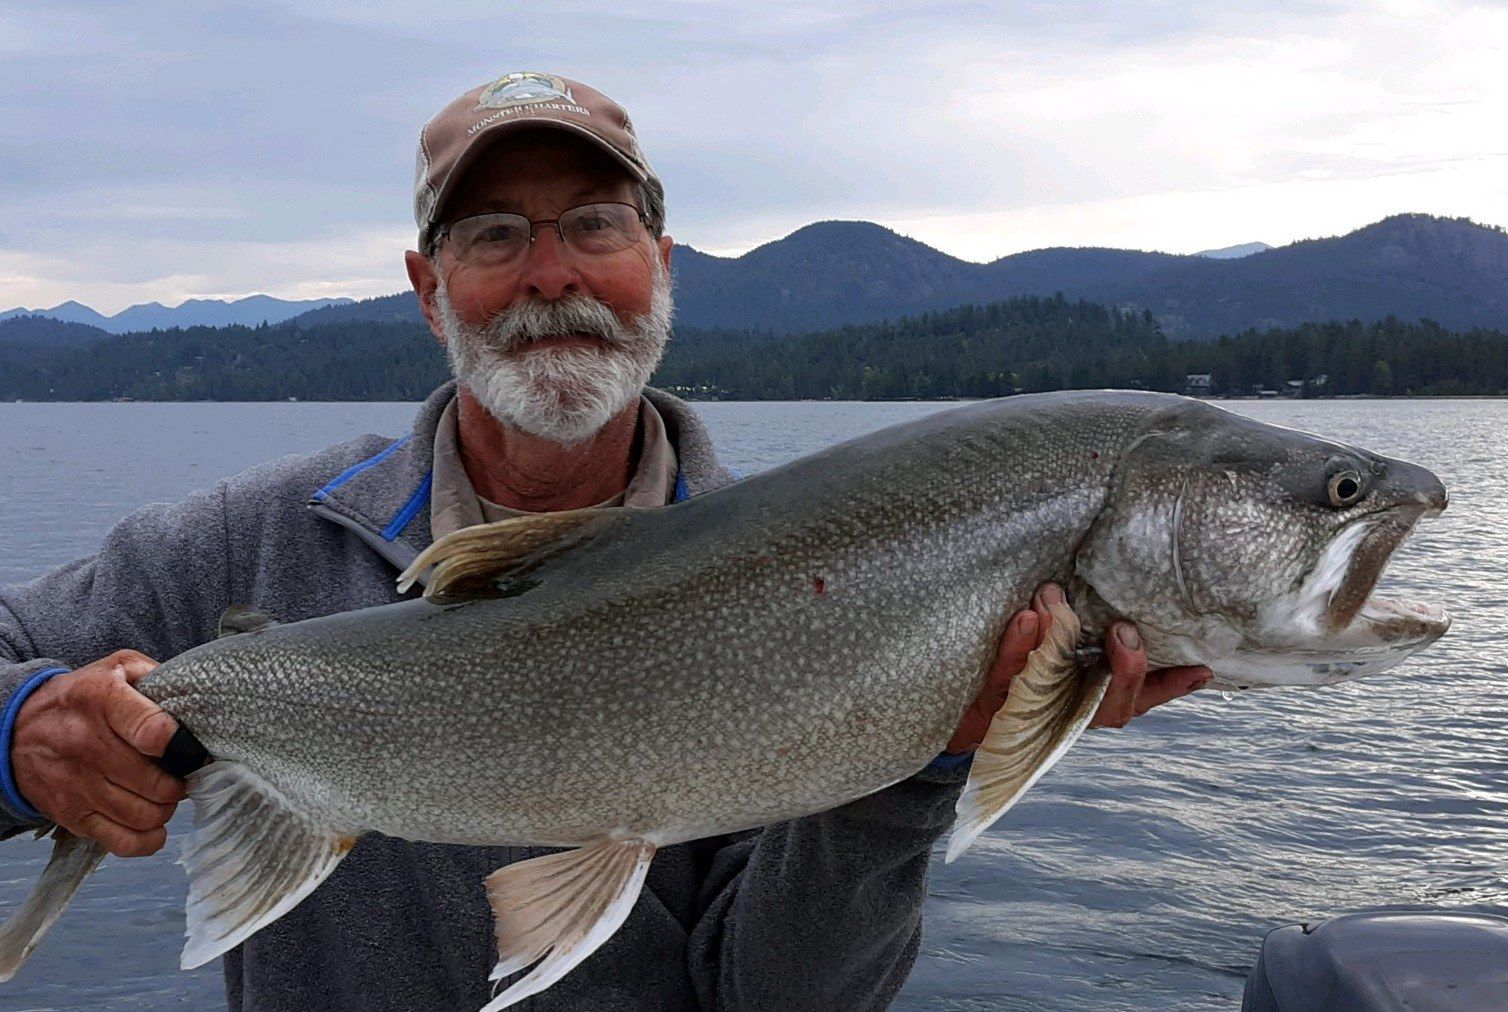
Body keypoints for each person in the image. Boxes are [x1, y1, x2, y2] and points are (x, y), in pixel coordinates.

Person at [0, 71, 1212, 1010]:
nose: (549, 276)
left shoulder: (808, 583)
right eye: (491, 236)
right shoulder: (242, 546)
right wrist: (24, 732)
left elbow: (779, 996)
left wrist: (923, 760)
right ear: (427, 291)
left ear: (659, 266)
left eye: (593, 224)